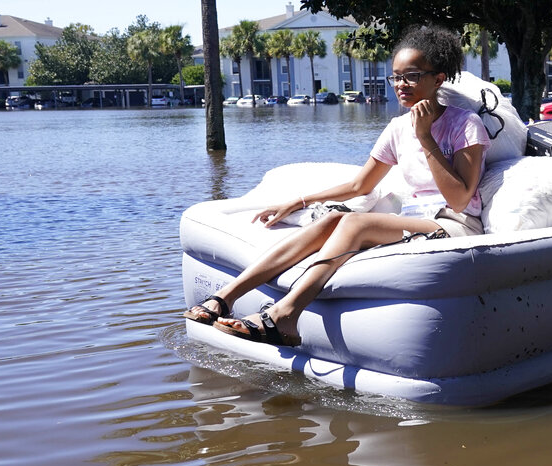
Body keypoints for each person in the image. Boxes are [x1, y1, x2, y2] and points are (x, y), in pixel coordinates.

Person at [183, 25, 491, 346]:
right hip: (413, 222)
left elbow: (459, 199)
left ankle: (285, 314)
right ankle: (224, 297)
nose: (401, 85)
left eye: (412, 76)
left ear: (439, 79)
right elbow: (360, 184)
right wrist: (297, 201)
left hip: (454, 226)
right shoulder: (398, 127)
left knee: (354, 222)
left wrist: (425, 135)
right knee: (332, 219)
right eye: (396, 76)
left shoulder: (464, 124)